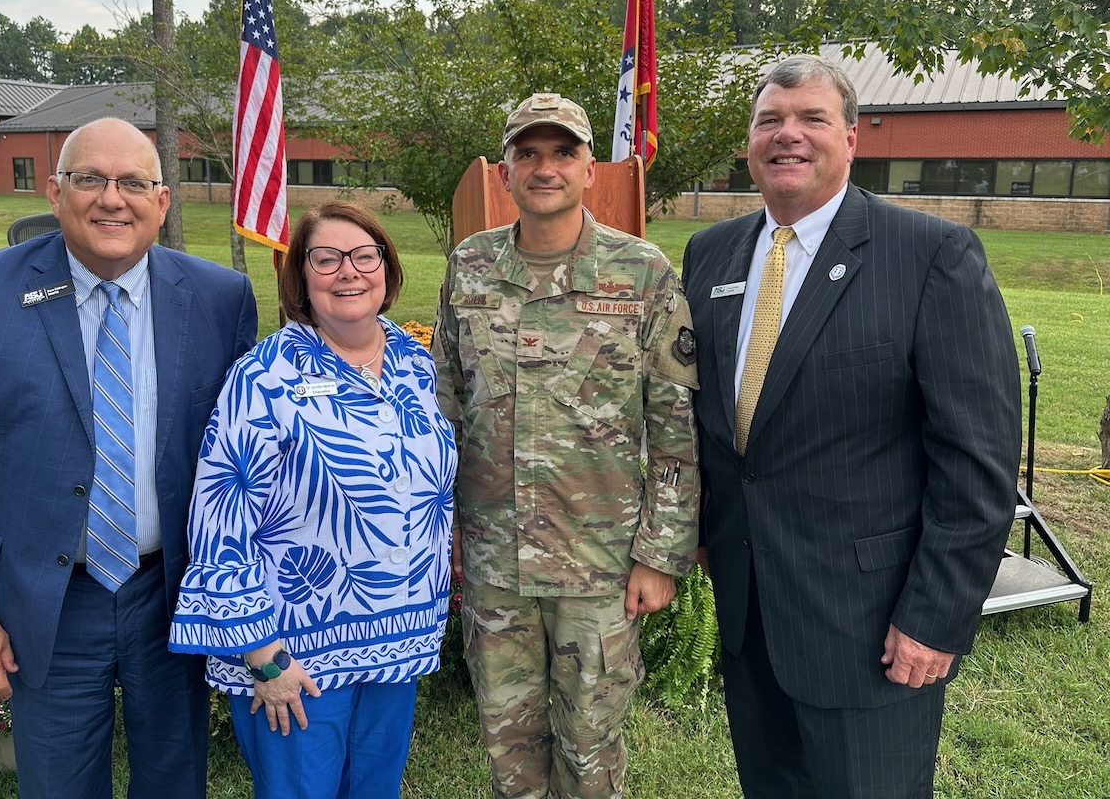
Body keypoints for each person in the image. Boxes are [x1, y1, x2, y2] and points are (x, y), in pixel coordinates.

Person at [681, 54, 1021, 798]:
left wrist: (936, 616)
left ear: (853, 136)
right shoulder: (710, 254)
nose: (787, 136)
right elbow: (710, 422)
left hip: (870, 625)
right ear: (749, 140)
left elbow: (979, 460)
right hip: (752, 613)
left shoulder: (931, 255)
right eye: (769, 120)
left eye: (811, 119)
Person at [0, 116, 257, 799]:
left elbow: (245, 459)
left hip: (172, 597)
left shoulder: (220, 298)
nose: (110, 198)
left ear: (162, 201)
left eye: (132, 182)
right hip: (50, 601)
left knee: (174, 782)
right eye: (89, 179)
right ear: (56, 192)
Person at [432, 92, 699, 799]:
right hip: (494, 562)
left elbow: (674, 426)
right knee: (509, 745)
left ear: (589, 168)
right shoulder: (470, 267)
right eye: (528, 153)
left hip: (600, 564)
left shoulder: (642, 272)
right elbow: (446, 406)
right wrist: (444, 535)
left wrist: (660, 554)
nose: (544, 167)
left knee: (589, 751)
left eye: (562, 153)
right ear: (505, 173)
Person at [169, 200, 456, 799]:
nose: (348, 271)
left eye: (363, 256)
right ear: (301, 278)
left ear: (387, 268)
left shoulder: (416, 363)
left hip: (398, 643)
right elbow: (221, 517)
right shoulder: (265, 376)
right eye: (325, 260)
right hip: (295, 657)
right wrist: (264, 657)